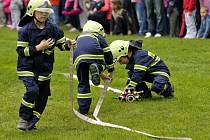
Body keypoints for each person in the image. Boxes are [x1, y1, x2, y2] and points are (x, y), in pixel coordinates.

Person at [16, 0, 75, 131]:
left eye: (46, 12)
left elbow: (61, 44)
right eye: (41, 11)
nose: (44, 14)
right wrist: (38, 47)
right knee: (32, 91)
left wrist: (68, 45)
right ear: (32, 11)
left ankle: (31, 123)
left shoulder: (53, 28)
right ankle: (24, 118)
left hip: (44, 69)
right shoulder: (25, 30)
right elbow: (21, 51)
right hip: (27, 68)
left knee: (42, 98)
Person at [73, 20, 114, 115]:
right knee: (98, 63)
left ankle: (83, 109)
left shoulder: (78, 36)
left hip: (78, 57)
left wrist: (102, 76)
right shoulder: (97, 36)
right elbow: (108, 53)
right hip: (94, 55)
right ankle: (98, 67)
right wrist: (110, 70)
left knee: (83, 83)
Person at [109, 40, 174, 99]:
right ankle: (145, 94)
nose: (120, 63)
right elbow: (133, 75)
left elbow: (138, 74)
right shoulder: (132, 59)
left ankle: (168, 90)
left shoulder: (140, 56)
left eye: (120, 60)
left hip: (160, 72)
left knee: (157, 87)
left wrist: (130, 87)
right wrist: (127, 88)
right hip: (148, 73)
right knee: (131, 79)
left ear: (124, 52)